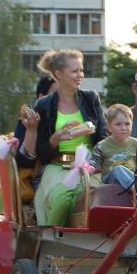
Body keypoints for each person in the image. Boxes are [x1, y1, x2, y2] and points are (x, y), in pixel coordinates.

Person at [33, 49, 107, 226]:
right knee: (63, 201)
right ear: (59, 73)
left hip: (89, 168)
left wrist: (96, 163)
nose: (80, 75)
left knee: (91, 201)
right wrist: (55, 139)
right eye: (75, 71)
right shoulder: (43, 105)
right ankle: (49, 242)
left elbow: (103, 137)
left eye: (81, 70)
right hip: (58, 167)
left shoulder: (91, 98)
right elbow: (40, 153)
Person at [90, 104, 137, 191]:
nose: (123, 128)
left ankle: (136, 186)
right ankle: (136, 189)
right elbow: (92, 165)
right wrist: (82, 167)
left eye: (127, 124)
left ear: (132, 125)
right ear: (109, 127)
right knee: (118, 169)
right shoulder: (102, 146)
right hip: (110, 185)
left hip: (132, 177)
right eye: (118, 124)